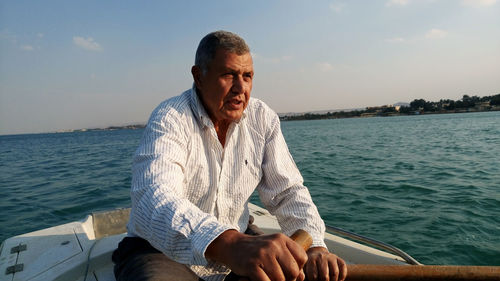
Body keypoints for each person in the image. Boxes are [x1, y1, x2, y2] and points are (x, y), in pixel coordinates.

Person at [112, 30, 347, 281]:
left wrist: (315, 247)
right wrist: (228, 243)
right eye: (228, 75)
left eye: (247, 76)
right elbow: (154, 196)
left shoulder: (262, 119)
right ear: (198, 76)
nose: (240, 88)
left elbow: (287, 191)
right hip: (161, 251)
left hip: (239, 244)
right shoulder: (171, 117)